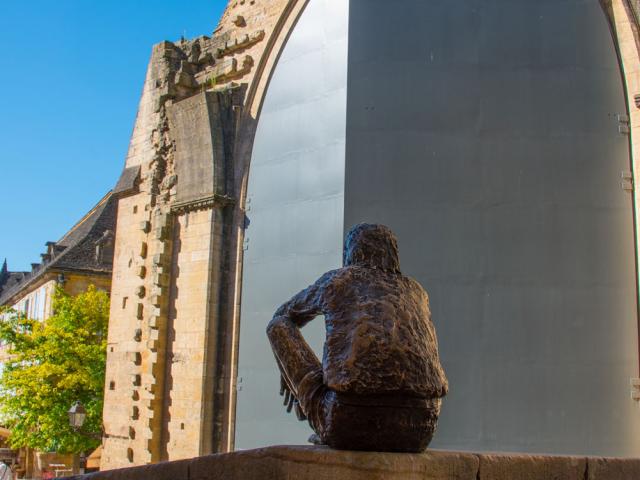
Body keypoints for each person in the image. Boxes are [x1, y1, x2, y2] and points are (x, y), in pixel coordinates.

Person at [267, 223, 448, 452]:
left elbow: (282, 317)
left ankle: (316, 410)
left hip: (346, 423)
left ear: (351, 252)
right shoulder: (416, 291)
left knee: (277, 326)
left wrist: (290, 375)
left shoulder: (337, 281)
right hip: (421, 429)